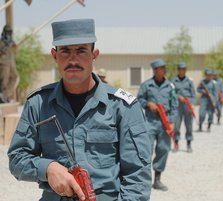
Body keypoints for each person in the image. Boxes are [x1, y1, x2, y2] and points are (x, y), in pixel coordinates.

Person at [7, 19, 152, 201]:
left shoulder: (122, 106)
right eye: (65, 51)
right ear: (54, 55)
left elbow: (137, 175)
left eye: (81, 50)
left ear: (94, 55)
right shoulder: (38, 104)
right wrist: (48, 168)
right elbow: (17, 158)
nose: (72, 59)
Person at [137, 59, 178, 191]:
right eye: (162, 68)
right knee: (146, 150)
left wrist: (172, 122)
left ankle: (157, 180)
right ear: (155, 70)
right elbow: (138, 100)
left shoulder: (170, 86)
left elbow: (174, 105)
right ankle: (144, 180)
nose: (165, 70)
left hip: (165, 122)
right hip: (150, 121)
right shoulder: (146, 85)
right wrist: (148, 104)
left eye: (165, 67)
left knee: (163, 149)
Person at [171, 62, 196, 153]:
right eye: (181, 69)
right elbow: (171, 93)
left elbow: (193, 94)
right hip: (177, 106)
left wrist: (192, 105)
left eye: (184, 69)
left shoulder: (189, 81)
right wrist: (178, 96)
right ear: (178, 70)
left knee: (189, 126)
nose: (183, 71)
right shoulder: (173, 81)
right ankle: (176, 144)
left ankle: (189, 144)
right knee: (176, 126)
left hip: (187, 105)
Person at [0, 24, 19, 103]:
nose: (9, 34)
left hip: (12, 63)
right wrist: (5, 47)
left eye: (10, 32)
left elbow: (16, 51)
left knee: (15, 77)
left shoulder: (12, 42)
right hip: (3, 63)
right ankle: (2, 96)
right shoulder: (1, 42)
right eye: (7, 32)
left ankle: (5, 95)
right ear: (4, 32)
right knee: (4, 80)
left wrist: (14, 46)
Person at [197, 68, 217, 132]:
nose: (209, 76)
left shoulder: (213, 83)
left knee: (211, 114)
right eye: (207, 74)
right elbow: (198, 89)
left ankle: (209, 127)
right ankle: (200, 126)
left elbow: (215, 93)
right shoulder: (202, 82)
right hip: (204, 99)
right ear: (205, 74)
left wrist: (214, 101)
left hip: (211, 100)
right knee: (201, 113)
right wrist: (202, 91)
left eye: (210, 74)